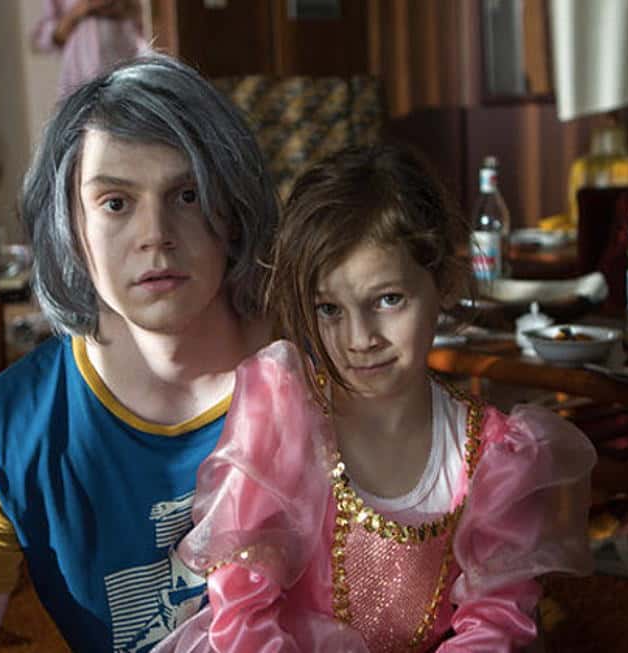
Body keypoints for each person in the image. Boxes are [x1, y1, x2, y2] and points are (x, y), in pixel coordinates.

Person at [0, 55, 279, 653]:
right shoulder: (5, 434)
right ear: (69, 226)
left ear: (232, 212)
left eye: (187, 194)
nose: (156, 234)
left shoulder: (322, 372)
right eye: (116, 202)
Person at [155, 144, 597, 652]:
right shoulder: (283, 421)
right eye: (329, 309)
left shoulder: (495, 455)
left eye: (388, 300)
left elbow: (495, 622)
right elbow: (243, 613)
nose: (360, 338)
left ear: (444, 283)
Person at [32, 0, 149, 98]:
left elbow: (144, 17)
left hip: (127, 70)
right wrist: (80, 10)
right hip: (80, 77)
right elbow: (43, 38)